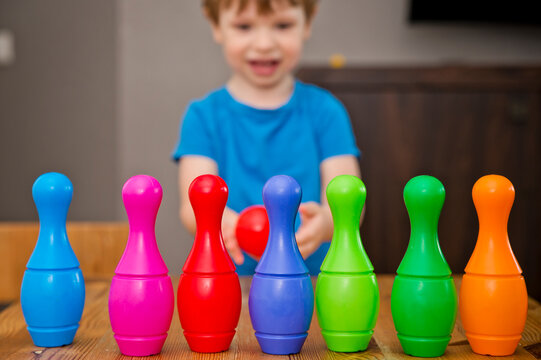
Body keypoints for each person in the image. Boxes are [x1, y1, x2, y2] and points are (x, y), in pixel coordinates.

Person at [172, 0, 361, 275]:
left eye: (282, 25)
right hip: (232, 285)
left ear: (307, 24)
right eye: (244, 26)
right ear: (216, 26)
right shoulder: (202, 117)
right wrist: (218, 221)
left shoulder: (327, 112)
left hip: (311, 285)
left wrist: (326, 224)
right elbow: (192, 209)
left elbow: (350, 203)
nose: (263, 43)